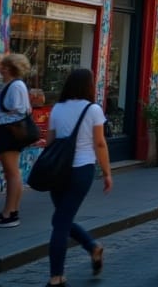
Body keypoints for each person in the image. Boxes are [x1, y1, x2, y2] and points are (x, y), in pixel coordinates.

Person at [43, 68, 111, 285]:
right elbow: (99, 143)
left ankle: (58, 274)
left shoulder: (57, 109)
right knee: (61, 220)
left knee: (60, 220)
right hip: (82, 168)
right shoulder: (93, 110)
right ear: (89, 86)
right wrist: (107, 172)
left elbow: (50, 142)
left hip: (59, 171)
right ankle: (61, 273)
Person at [0, 52, 33, 228]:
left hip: (9, 132)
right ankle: (10, 211)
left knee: (12, 173)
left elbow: (20, 110)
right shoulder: (10, 85)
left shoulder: (16, 86)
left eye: (5, 66)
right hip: (6, 131)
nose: (1, 69)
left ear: (13, 68)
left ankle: (9, 213)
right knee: (11, 173)